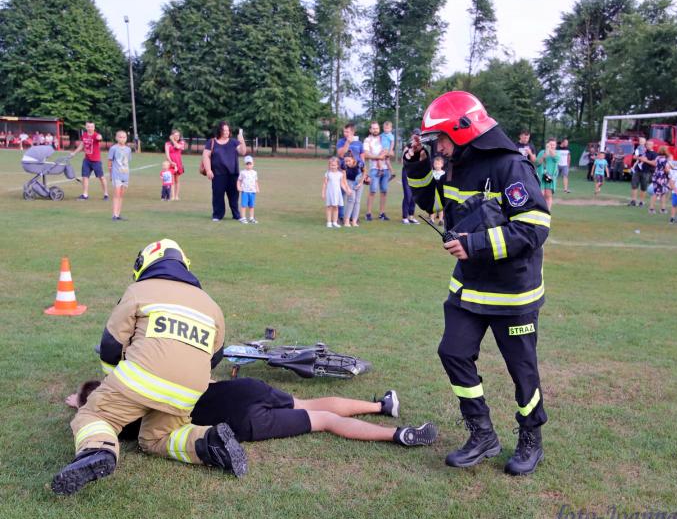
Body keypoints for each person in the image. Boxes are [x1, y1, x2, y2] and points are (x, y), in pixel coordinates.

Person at [404, 91, 550, 476]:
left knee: (522, 370)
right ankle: (482, 433)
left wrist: (475, 245)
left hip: (513, 294)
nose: (438, 147)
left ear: (463, 130)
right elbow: (432, 202)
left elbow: (534, 228)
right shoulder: (458, 165)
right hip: (468, 288)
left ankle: (531, 437)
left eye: (440, 139)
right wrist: (417, 165)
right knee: (453, 352)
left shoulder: (511, 166)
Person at [51, 240, 244, 495]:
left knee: (94, 416)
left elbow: (111, 344)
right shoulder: (211, 305)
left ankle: (97, 449)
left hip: (139, 379)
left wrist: (113, 380)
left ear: (144, 264)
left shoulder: (138, 290)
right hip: (187, 392)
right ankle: (210, 443)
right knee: (157, 438)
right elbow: (214, 356)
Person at [67, 379, 437, 448]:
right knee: (309, 404)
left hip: (243, 422)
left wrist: (83, 405)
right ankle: (382, 406)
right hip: (245, 389)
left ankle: (398, 435)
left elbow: (102, 423)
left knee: (322, 421)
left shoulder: (129, 425)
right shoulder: (154, 383)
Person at [202, 121, 247, 221]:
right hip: (218, 174)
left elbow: (243, 152)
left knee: (234, 197)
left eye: (228, 130)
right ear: (219, 131)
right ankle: (217, 215)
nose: (227, 132)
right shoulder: (212, 142)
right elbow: (205, 156)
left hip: (233, 174)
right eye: (224, 130)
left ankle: (236, 215)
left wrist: (242, 140)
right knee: (218, 196)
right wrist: (208, 170)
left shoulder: (233, 142)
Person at [364, 122, 392, 221]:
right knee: (372, 191)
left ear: (379, 129)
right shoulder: (367, 140)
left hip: (385, 169)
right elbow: (366, 154)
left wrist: (387, 153)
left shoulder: (383, 138)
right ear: (370, 130)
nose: (375, 130)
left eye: (377, 128)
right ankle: (368, 213)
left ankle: (382, 213)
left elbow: (391, 152)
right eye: (373, 128)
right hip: (374, 169)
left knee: (384, 191)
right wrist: (378, 157)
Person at [336, 123, 364, 223]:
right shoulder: (341, 142)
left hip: (356, 174)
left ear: (353, 132)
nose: (345, 133)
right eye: (344, 131)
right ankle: (341, 216)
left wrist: (363, 172)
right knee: (342, 194)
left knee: (354, 196)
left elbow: (362, 158)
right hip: (343, 171)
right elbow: (341, 154)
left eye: (347, 131)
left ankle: (353, 217)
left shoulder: (359, 143)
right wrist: (347, 143)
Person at [75, 121, 108, 201]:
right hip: (87, 160)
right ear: (86, 127)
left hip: (96, 161)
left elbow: (99, 138)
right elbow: (82, 145)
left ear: (94, 127)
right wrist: (74, 153)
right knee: (85, 177)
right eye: (88, 126)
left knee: (101, 177)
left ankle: (106, 194)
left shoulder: (96, 135)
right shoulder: (84, 135)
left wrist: (100, 137)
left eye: (92, 127)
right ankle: (85, 195)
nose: (90, 128)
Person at [108, 131, 131, 221]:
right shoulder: (113, 148)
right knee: (116, 195)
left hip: (125, 174)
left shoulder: (128, 149)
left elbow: (127, 161)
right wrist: (110, 174)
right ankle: (114, 214)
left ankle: (118, 214)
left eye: (124, 137)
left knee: (121, 195)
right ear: (116, 138)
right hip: (116, 174)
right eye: (120, 137)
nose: (122, 139)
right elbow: (110, 162)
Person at [323, 157, 350, 228]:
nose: (333, 167)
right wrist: (323, 193)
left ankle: (335, 222)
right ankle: (329, 222)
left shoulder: (340, 174)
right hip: (329, 192)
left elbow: (342, 184)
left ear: (338, 165)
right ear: (329, 165)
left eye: (334, 165)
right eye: (331, 165)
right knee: (329, 207)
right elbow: (325, 184)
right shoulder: (327, 174)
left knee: (336, 207)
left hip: (337, 193)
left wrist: (347, 190)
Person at [535, 137, 560, 210]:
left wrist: (549, 150)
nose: (552, 146)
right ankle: (540, 210)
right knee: (540, 195)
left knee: (548, 195)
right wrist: (543, 157)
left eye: (553, 145)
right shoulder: (542, 152)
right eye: (550, 144)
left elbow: (556, 159)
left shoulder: (557, 153)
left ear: (555, 145)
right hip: (541, 176)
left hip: (550, 177)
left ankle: (547, 211)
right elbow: (537, 163)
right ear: (547, 144)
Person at [629, 138, 655, 207]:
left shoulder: (654, 153)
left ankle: (641, 202)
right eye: (647, 144)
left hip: (646, 172)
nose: (648, 145)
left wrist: (646, 161)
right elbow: (634, 157)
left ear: (652, 145)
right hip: (637, 170)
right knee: (634, 186)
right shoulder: (642, 150)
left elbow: (654, 163)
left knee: (643, 187)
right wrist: (639, 158)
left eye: (649, 144)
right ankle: (633, 201)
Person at [342, 151, 365, 227]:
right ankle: (346, 221)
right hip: (349, 182)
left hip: (358, 182)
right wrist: (347, 188)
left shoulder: (360, 163)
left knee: (357, 201)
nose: (347, 163)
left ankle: (354, 221)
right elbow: (344, 178)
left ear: (353, 159)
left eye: (349, 161)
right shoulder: (343, 165)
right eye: (345, 161)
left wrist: (361, 183)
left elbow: (364, 172)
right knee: (351, 200)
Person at [649, 145, 671, 214]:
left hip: (656, 176)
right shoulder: (665, 160)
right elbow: (666, 170)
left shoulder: (657, 157)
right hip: (661, 177)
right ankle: (654, 209)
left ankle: (660, 208)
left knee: (658, 192)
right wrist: (670, 172)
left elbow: (654, 164)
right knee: (660, 193)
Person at [165, 129, 186, 201]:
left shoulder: (182, 142)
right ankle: (172, 196)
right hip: (170, 163)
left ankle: (177, 196)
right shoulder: (167, 144)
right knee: (171, 180)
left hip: (178, 163)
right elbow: (167, 154)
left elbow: (178, 147)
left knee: (177, 180)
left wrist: (173, 140)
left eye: (178, 135)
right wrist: (171, 162)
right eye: (175, 135)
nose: (177, 136)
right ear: (172, 135)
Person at [238, 156, 259, 224]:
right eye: (247, 164)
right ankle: (243, 218)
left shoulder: (254, 173)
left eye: (250, 164)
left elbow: (256, 181)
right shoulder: (242, 172)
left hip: (252, 191)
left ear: (253, 164)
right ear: (245, 164)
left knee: (251, 206)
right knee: (244, 205)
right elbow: (239, 180)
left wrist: (257, 187)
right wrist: (238, 187)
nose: (249, 166)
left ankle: (251, 218)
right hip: (245, 191)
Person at [430, 155, 446, 225]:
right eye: (435, 164)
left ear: (442, 165)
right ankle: (432, 219)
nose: (437, 165)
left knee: (440, 207)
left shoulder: (443, 173)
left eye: (438, 164)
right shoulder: (432, 173)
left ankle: (440, 220)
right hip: (433, 192)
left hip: (440, 192)